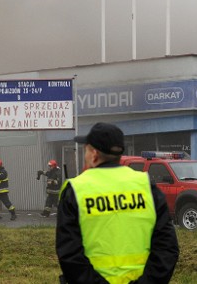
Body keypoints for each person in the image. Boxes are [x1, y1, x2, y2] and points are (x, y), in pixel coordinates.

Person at [56, 122, 179, 284]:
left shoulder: (75, 189)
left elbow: (69, 254)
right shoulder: (146, 186)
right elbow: (167, 247)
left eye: (85, 149)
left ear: (93, 153)